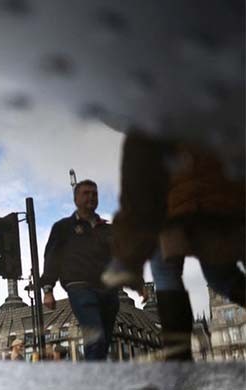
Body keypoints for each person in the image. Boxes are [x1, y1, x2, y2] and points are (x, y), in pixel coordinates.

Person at [101, 131, 245, 360]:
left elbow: (136, 189)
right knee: (221, 275)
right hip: (219, 204)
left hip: (173, 207)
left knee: (167, 274)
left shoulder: (153, 116)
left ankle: (179, 363)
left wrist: (128, 257)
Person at [40, 179, 119, 361]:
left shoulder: (108, 230)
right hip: (80, 287)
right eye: (86, 193)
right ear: (76, 199)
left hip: (108, 290)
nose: (91, 197)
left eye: (95, 194)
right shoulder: (63, 228)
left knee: (104, 341)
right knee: (96, 336)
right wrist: (48, 289)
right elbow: (52, 258)